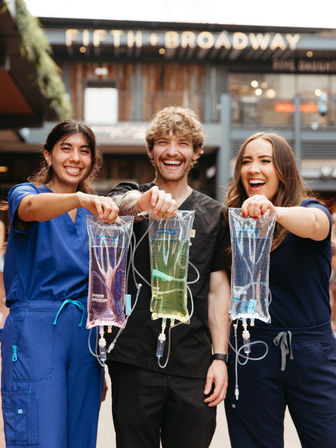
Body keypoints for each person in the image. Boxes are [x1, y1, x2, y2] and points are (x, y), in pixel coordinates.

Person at [105, 106, 231, 448]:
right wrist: (143, 202)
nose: (172, 151)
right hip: (134, 358)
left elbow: (219, 291)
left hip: (193, 363)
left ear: (196, 153)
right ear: (150, 151)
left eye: (183, 144)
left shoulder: (214, 215)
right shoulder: (131, 196)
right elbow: (118, 205)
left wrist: (220, 357)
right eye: (163, 142)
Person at [1, 120, 121, 448]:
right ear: (48, 155)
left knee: (81, 435)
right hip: (35, 330)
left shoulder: (96, 216)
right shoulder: (27, 195)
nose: (75, 157)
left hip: (84, 333)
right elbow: (29, 210)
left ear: (92, 160)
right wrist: (79, 199)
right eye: (65, 148)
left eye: (84, 150)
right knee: (39, 434)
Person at [224, 132, 336, 448]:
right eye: (246, 161)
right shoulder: (234, 222)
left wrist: (275, 212)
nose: (253, 168)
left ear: (283, 169)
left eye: (264, 160)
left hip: (311, 351)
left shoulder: (309, 210)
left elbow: (317, 224)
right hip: (250, 348)